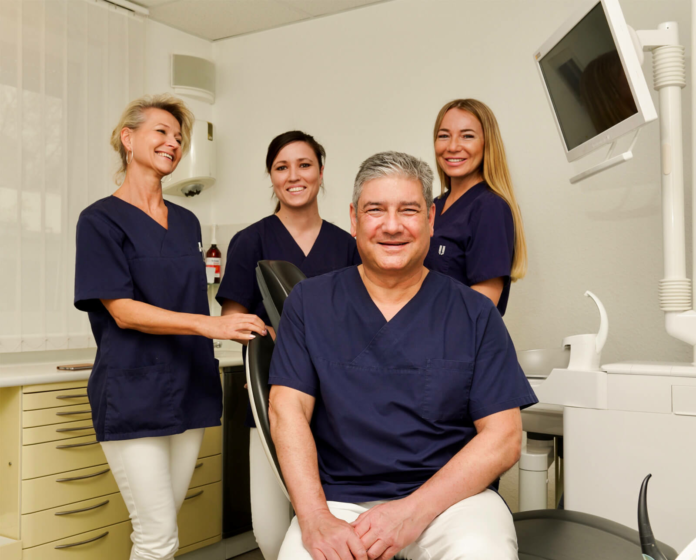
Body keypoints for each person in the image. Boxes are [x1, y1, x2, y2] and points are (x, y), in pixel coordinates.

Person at [268, 151, 538, 560]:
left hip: (451, 500)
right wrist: (315, 517)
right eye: (375, 210)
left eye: (408, 210)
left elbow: (504, 438)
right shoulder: (309, 303)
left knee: (484, 552)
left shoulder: (474, 313)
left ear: (430, 219)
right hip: (338, 500)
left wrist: (413, 511)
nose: (392, 226)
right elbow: (286, 411)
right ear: (354, 219)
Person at [74, 94, 266, 560]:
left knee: (162, 532)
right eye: (161, 132)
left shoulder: (186, 221)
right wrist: (210, 326)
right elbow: (123, 310)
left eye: (179, 138)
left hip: (189, 386)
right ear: (128, 138)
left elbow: (185, 297)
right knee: (157, 537)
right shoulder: (100, 220)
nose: (173, 143)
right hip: (132, 390)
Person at [216, 130, 360, 560]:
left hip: (339, 403)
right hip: (273, 394)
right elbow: (233, 321)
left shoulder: (347, 246)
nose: (294, 176)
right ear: (271, 176)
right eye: (282, 167)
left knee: (331, 518)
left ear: (321, 172)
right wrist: (272, 341)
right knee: (271, 529)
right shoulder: (251, 241)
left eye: (304, 165)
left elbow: (364, 323)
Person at [424, 98, 527, 315]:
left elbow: (481, 307)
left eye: (467, 136)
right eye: (444, 136)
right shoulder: (434, 205)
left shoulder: (490, 208)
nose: (452, 147)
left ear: (487, 144)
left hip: (454, 335)